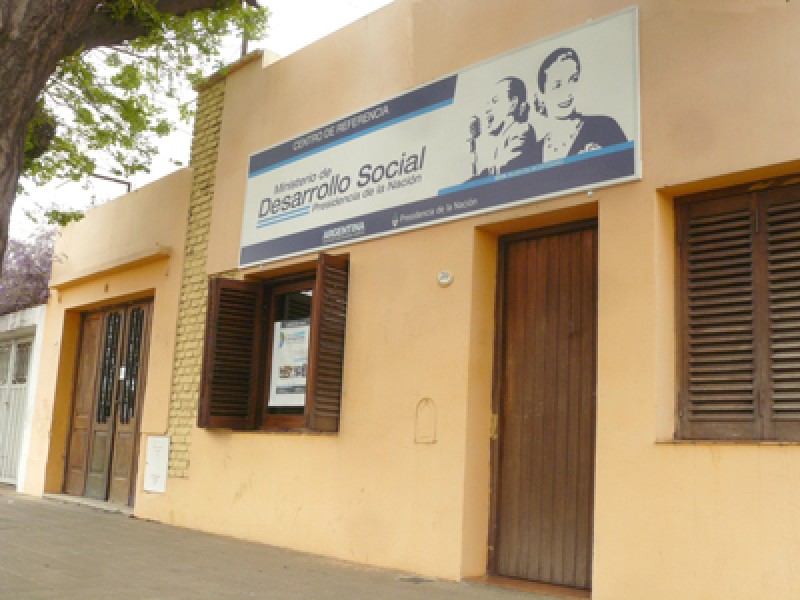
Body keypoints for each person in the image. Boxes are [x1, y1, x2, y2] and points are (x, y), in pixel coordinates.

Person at [536, 47, 627, 162]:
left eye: (573, 80)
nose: (568, 93)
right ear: (542, 95)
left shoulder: (604, 127)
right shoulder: (533, 152)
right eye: (557, 85)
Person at [468, 77, 541, 177]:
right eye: (488, 103)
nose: (487, 109)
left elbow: (507, 169)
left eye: (494, 101)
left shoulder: (521, 130)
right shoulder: (505, 137)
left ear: (513, 103)